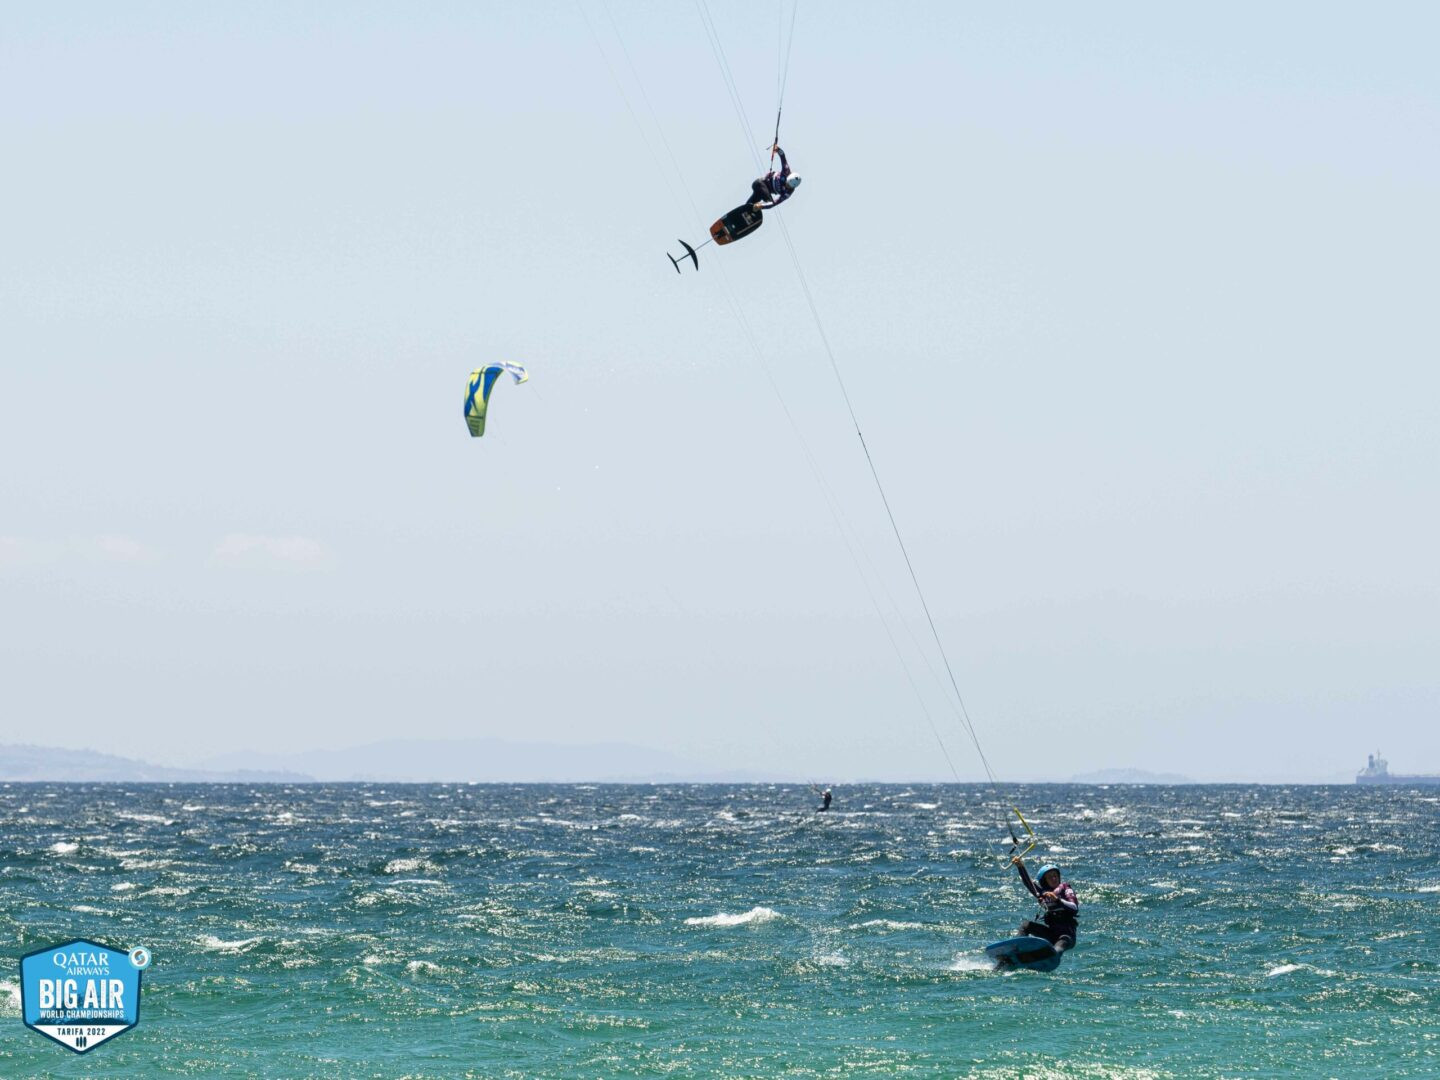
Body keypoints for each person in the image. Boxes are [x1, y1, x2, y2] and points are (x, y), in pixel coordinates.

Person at [1011, 857, 1078, 952]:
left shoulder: (1065, 888)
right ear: (1044, 880)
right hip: (1051, 934)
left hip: (1067, 936)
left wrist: (1057, 900)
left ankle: (1053, 954)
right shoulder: (1043, 893)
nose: (1054, 878)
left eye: (1055, 875)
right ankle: (1013, 950)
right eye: (1050, 877)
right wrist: (1020, 866)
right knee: (1026, 925)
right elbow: (1029, 883)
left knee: (1059, 945)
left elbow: (1074, 908)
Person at [750, 143, 802, 211]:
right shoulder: (786, 171)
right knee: (768, 201)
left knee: (751, 205)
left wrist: (761, 206)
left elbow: (775, 203)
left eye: (790, 186)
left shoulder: (788, 193)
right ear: (788, 178)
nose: (787, 186)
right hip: (760, 184)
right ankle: (755, 207)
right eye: (788, 183)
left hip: (763, 193)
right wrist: (777, 149)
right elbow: (782, 156)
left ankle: (746, 213)